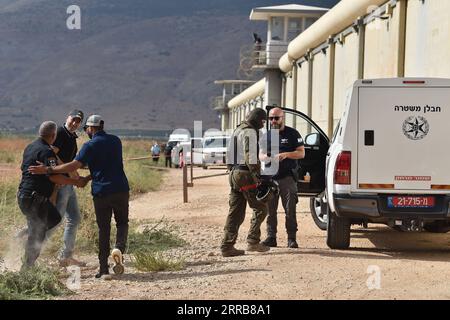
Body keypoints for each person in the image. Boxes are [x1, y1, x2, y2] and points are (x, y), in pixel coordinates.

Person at [29, 115, 130, 279]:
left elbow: (74, 165)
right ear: (102, 126)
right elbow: (103, 168)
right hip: (121, 189)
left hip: (101, 192)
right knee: (122, 222)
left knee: (103, 229)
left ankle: (103, 269)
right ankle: (119, 247)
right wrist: (88, 177)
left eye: (86, 128)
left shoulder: (89, 145)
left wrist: (48, 170)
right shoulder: (116, 141)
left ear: (90, 128)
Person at [17, 121, 86, 269]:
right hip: (36, 199)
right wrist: (75, 181)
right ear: (53, 135)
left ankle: (27, 256)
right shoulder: (47, 152)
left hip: (23, 196)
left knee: (39, 226)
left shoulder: (30, 147)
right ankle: (27, 268)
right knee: (47, 224)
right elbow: (54, 176)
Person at [220, 108, 270, 257]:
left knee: (235, 212)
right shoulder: (250, 132)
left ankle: (227, 246)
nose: (263, 124)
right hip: (245, 175)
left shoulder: (238, 129)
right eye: (262, 121)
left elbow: (229, 153)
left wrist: (231, 170)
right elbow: (251, 156)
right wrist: (258, 176)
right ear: (256, 119)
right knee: (261, 208)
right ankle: (253, 241)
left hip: (234, 174)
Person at [260, 108, 305, 248]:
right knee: (270, 211)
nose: (273, 121)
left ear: (282, 118)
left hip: (287, 178)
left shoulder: (293, 133)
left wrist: (286, 154)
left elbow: (301, 153)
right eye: (271, 118)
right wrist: (268, 158)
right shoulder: (266, 136)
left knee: (290, 210)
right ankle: (271, 237)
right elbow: (260, 154)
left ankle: (291, 238)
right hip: (270, 179)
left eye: (276, 118)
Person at [52, 109, 86, 267]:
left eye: (78, 121)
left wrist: (75, 173)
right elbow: (53, 155)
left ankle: (65, 256)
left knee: (74, 218)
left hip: (68, 182)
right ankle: (31, 249)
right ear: (67, 117)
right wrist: (69, 171)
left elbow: (68, 161)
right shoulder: (60, 132)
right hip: (61, 182)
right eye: (73, 119)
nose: (75, 123)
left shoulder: (72, 136)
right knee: (55, 219)